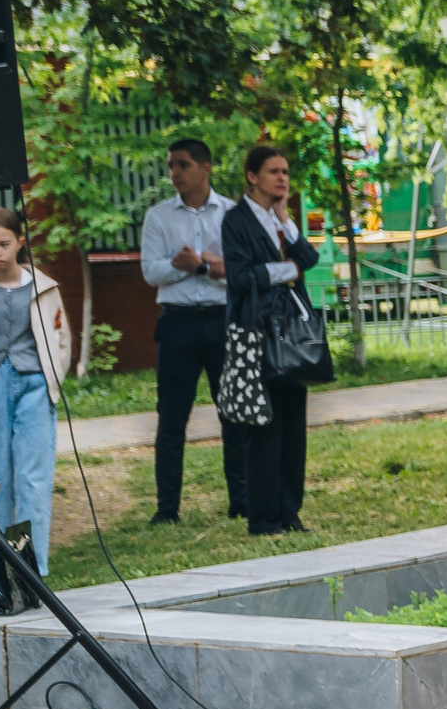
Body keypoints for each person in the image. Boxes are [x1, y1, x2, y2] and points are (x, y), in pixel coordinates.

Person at [0, 208, 71, 578]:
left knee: (33, 477)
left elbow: (61, 337)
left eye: (3, 244)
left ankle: (29, 568)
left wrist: (53, 376)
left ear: (20, 242)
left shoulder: (43, 286)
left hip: (34, 384)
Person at [138, 138, 245, 522]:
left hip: (222, 321)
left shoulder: (233, 215)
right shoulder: (159, 217)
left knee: (232, 411)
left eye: (182, 165)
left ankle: (242, 501)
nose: (174, 174)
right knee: (171, 418)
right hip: (177, 323)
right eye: (171, 166)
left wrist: (196, 265)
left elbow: (239, 274)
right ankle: (167, 509)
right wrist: (192, 264)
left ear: (205, 168)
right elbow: (151, 272)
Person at [220, 145, 325, 535]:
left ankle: (289, 512)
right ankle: (263, 518)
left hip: (292, 334)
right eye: (273, 172)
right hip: (257, 331)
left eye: (285, 171)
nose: (282, 178)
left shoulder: (281, 218)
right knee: (264, 426)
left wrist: (288, 224)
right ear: (252, 176)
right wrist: (286, 270)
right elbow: (241, 277)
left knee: (294, 424)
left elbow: (309, 261)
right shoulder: (236, 220)